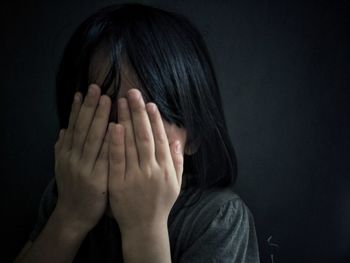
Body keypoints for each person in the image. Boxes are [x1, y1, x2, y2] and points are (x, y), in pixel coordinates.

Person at [14, 3, 260, 263]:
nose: (120, 137)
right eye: (100, 115)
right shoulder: (68, 192)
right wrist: (70, 216)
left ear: (194, 135)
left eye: (142, 118)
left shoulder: (218, 219)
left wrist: (144, 227)